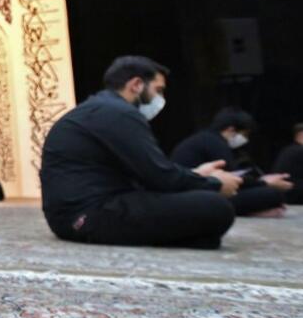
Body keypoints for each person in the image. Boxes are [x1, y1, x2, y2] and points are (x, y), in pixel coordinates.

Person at [40, 55, 242, 249]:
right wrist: (215, 184)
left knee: (203, 217)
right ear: (136, 84)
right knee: (216, 207)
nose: (160, 99)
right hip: (86, 216)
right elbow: (159, 177)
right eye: (158, 90)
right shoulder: (118, 113)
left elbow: (150, 171)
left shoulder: (104, 109)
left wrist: (197, 175)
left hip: (76, 215)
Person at [170, 107, 290, 217]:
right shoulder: (216, 143)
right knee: (273, 194)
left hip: (194, 192)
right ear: (231, 129)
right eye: (245, 135)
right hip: (196, 196)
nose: (245, 140)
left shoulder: (207, 138)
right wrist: (265, 183)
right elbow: (232, 180)